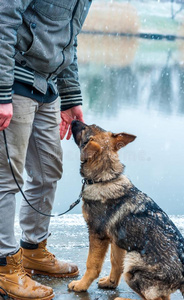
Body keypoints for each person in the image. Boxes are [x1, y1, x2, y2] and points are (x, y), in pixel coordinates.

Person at [0, 0, 92, 299]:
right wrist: (1, 93)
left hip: (48, 88)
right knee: (6, 178)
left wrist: (70, 97)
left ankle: (32, 251)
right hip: (14, 82)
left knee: (47, 171)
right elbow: (3, 20)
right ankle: (4, 265)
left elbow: (68, 41)